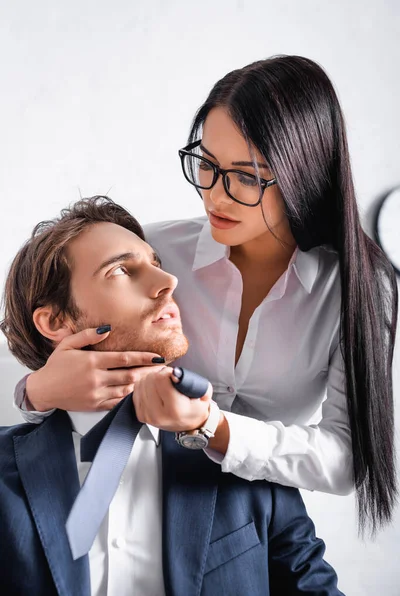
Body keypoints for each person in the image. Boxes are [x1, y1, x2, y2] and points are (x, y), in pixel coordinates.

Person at [13, 55, 398, 535]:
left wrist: (211, 426)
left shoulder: (360, 288)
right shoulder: (154, 256)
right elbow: (58, 342)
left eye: (247, 177)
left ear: (306, 175)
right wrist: (35, 391)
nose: (215, 196)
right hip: (133, 504)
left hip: (257, 518)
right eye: (207, 165)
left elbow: (346, 459)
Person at [0, 197, 347, 596]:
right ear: (55, 321)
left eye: (158, 264)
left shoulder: (245, 458)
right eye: (121, 270)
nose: (169, 282)